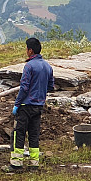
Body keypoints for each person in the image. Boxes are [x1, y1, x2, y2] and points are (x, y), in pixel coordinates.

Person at [4, 37, 54, 173]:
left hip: (26, 105)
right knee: (34, 134)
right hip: (39, 106)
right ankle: (33, 164)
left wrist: (17, 104)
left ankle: (16, 164)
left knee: (19, 133)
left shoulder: (29, 66)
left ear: (30, 50)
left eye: (26, 49)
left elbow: (24, 87)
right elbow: (51, 86)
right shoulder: (47, 66)